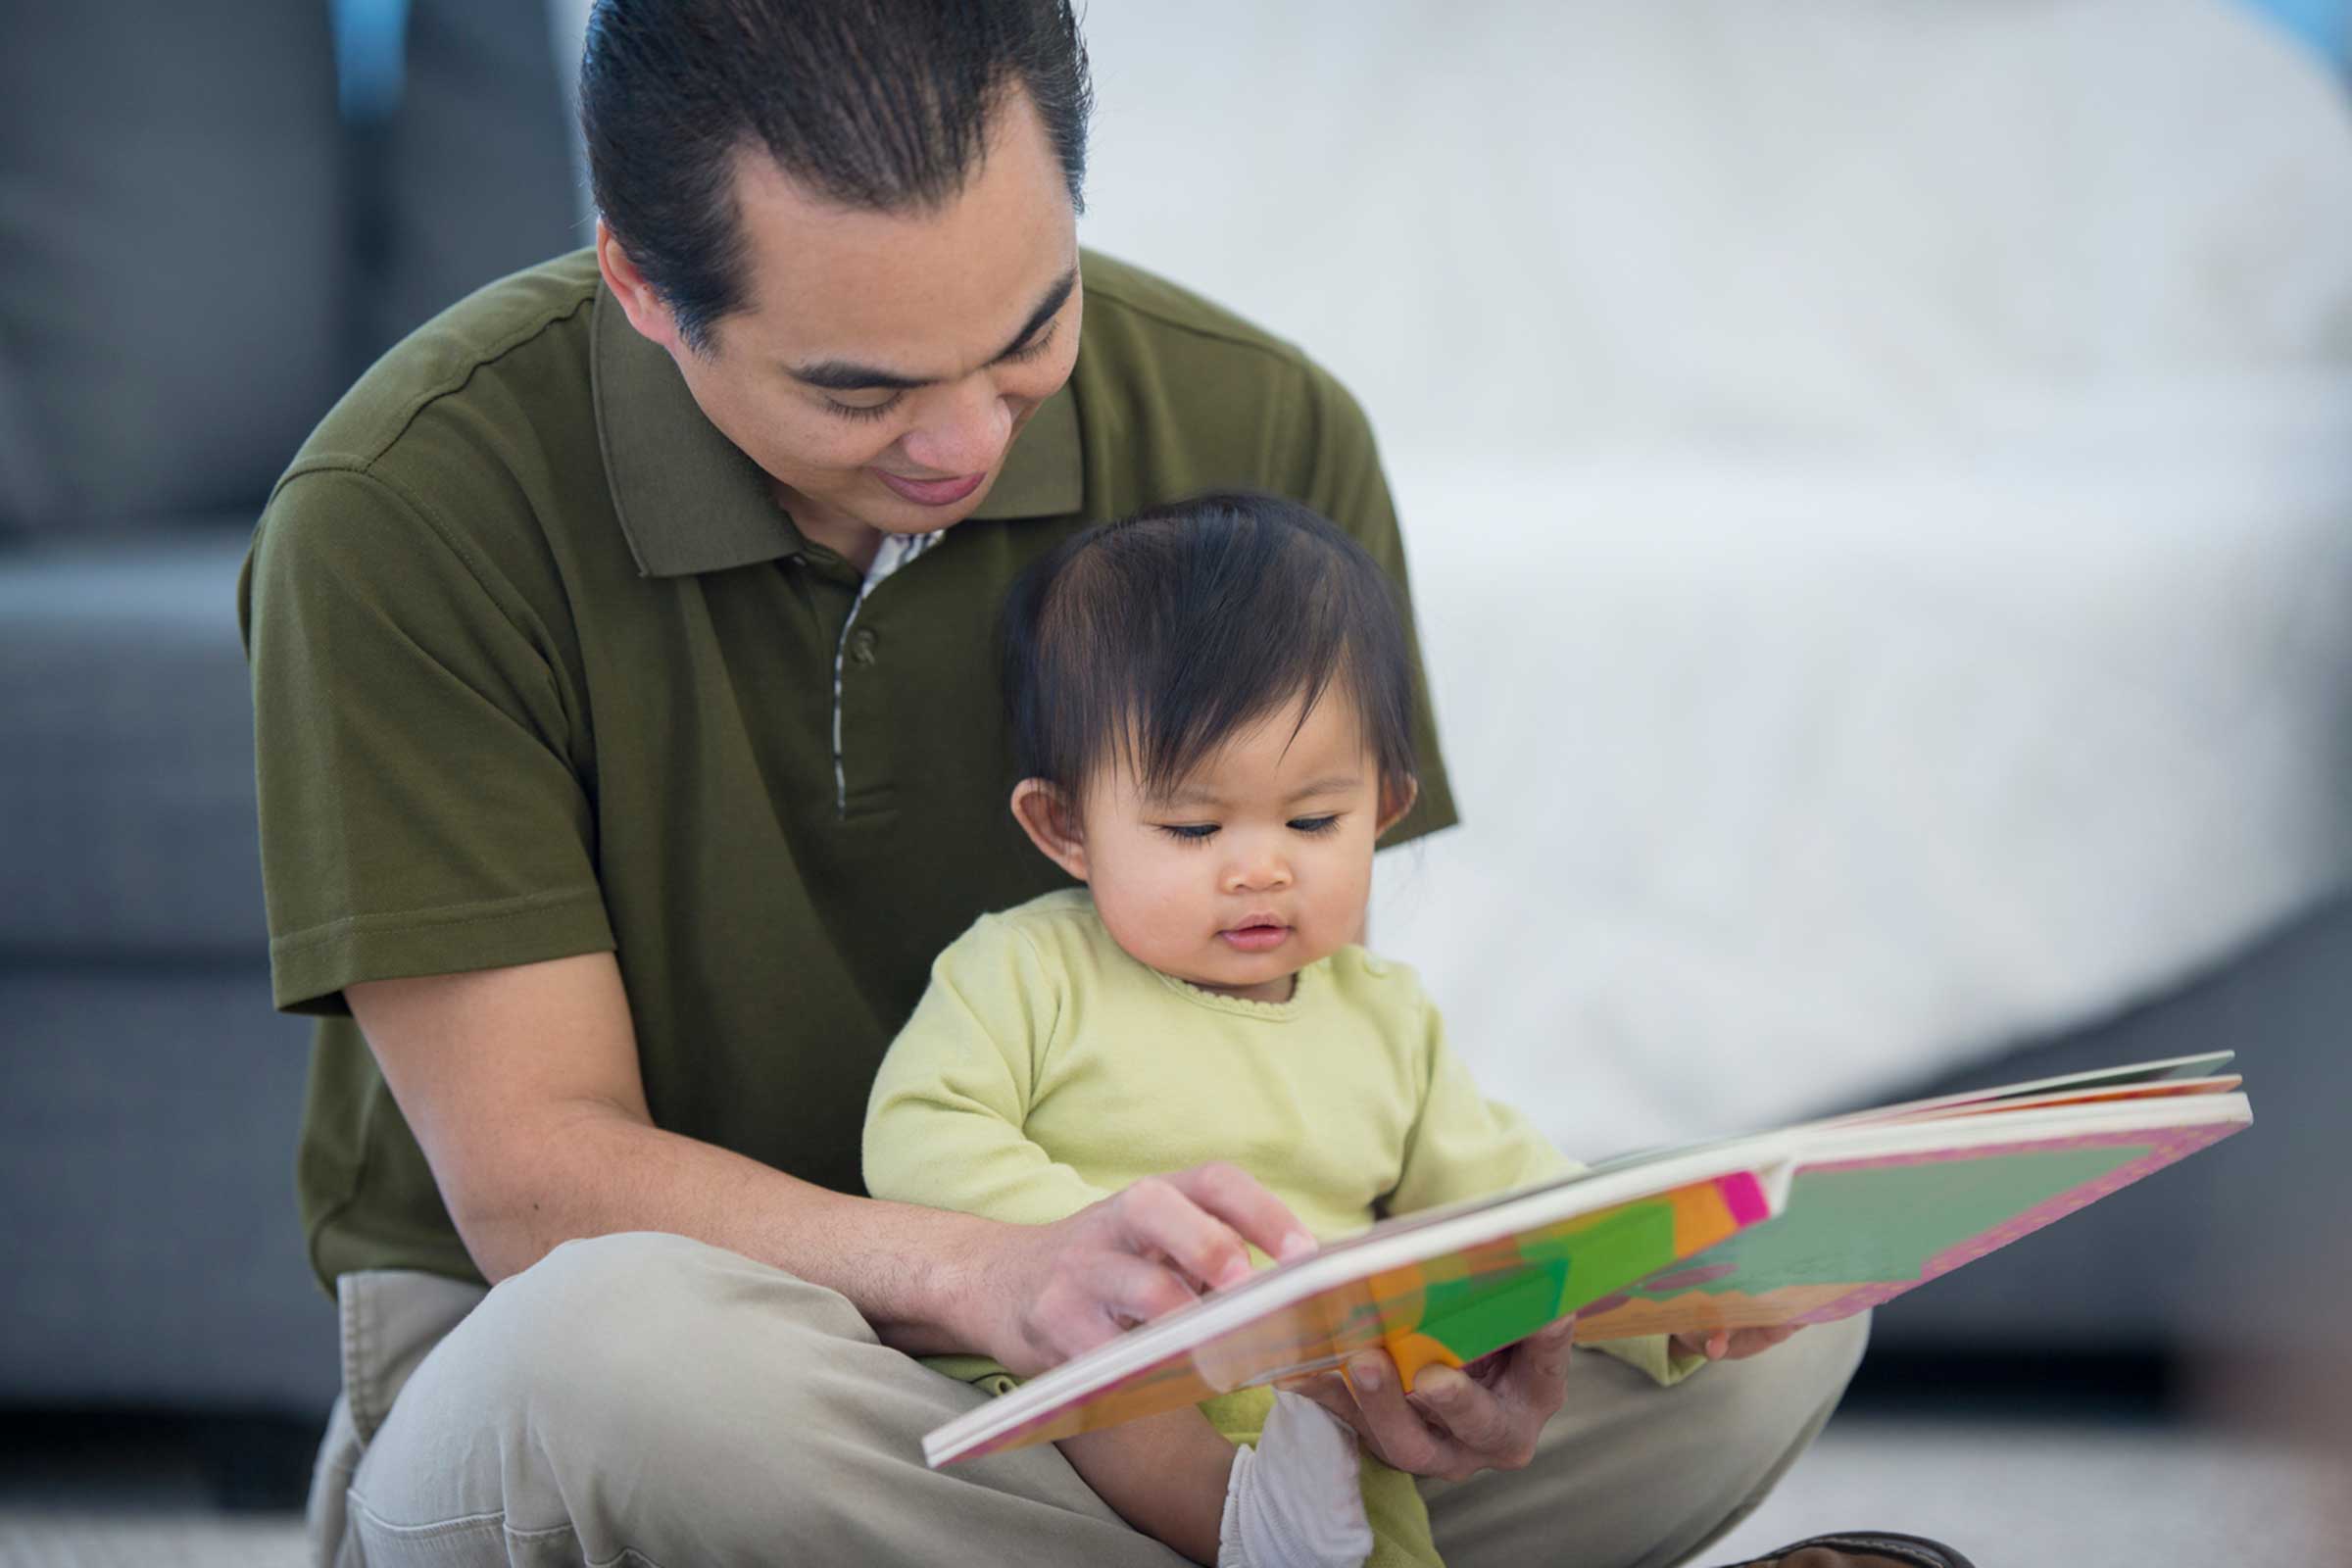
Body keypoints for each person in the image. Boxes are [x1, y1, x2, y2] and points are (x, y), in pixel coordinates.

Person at [239, 1, 1950, 1564]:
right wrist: (995, 1273)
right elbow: (540, 1184)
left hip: (1178, 1407)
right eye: (859, 389)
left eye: (1028, 333)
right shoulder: (407, 513)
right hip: (729, 1399)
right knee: (609, 1361)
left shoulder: (1265, 432)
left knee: (1756, 1332)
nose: (967, 444)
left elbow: (1318, 1020)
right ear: (638, 285)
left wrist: (1440, 1338)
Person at [861, 494, 1803, 1568]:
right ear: (1065, 826)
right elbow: (921, 1131)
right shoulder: (1026, 969)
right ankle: (1245, 1527)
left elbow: (1510, 1192)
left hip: (1320, 1390)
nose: (1261, 866)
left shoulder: (1382, 1016)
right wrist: (1099, 1250)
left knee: (1371, 1439)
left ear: (1386, 809)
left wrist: (1669, 1291)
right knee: (1107, 1400)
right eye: (1192, 826)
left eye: (1314, 821)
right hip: (1092, 1360)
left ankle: (1297, 1530)